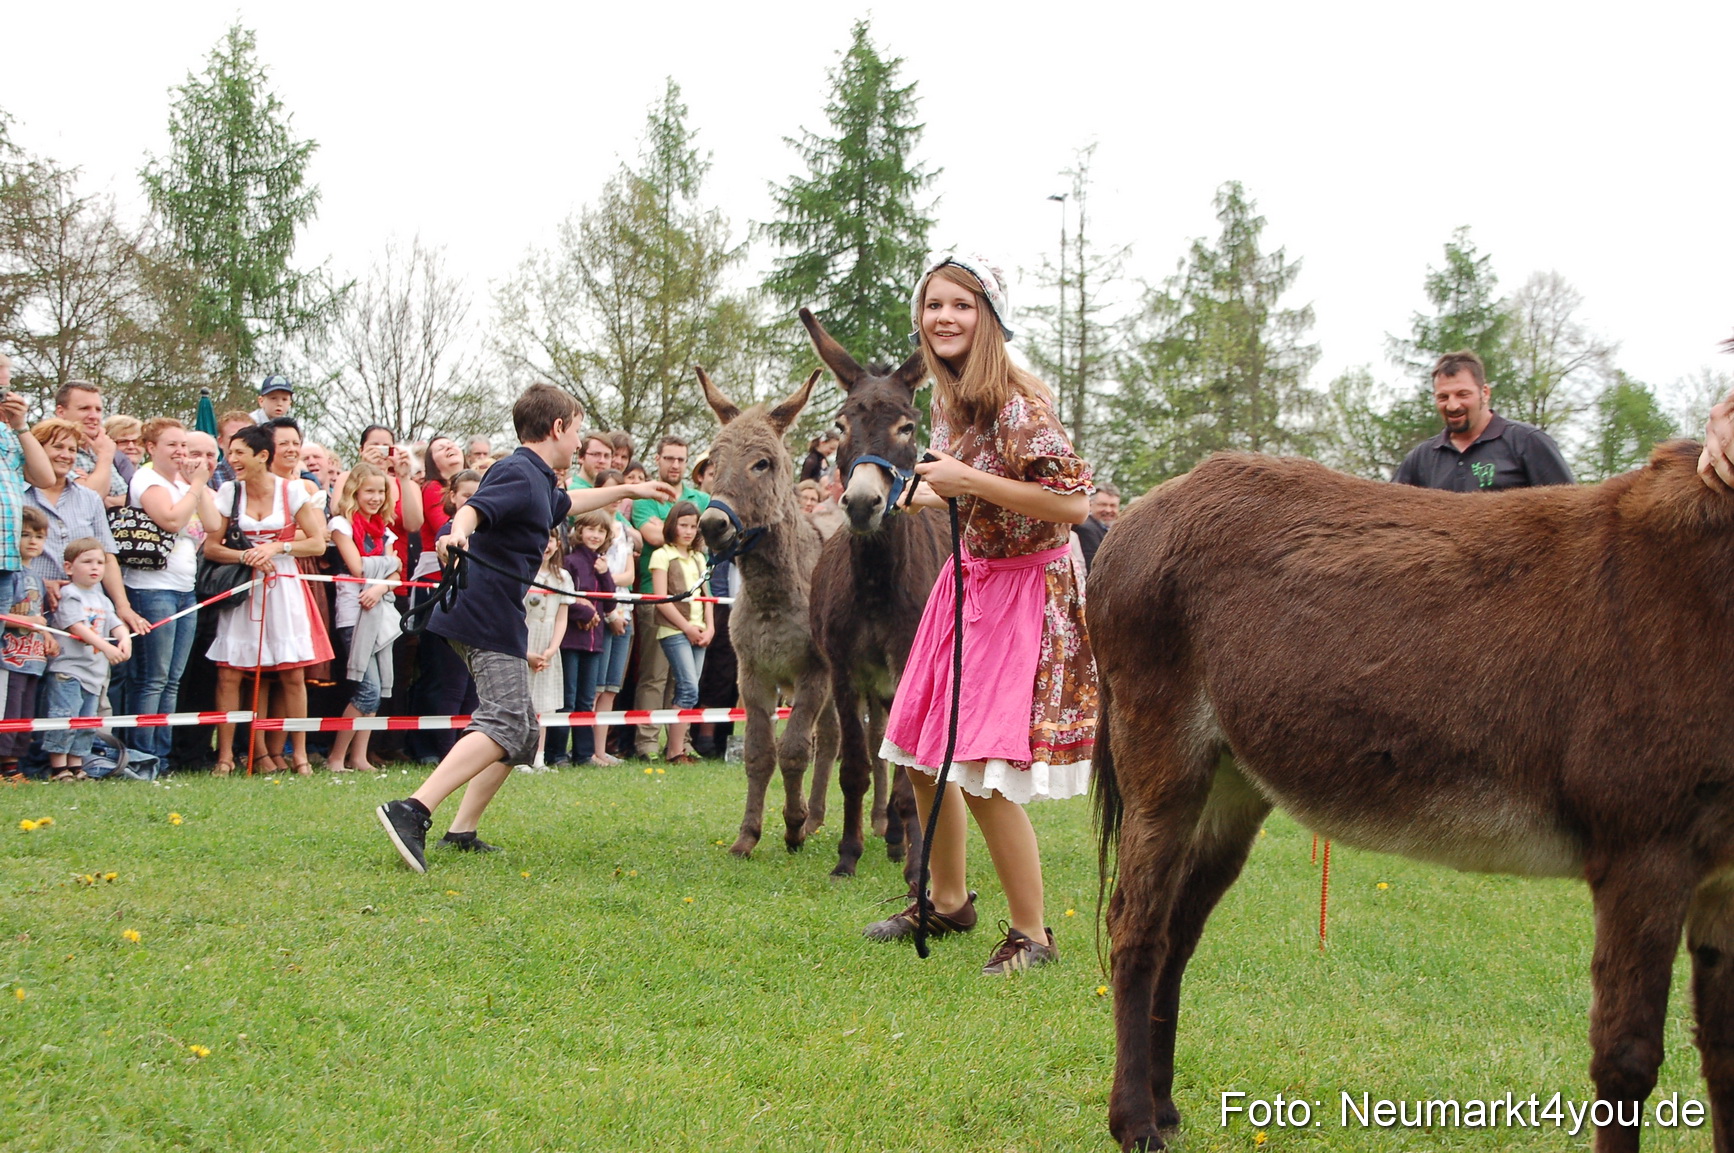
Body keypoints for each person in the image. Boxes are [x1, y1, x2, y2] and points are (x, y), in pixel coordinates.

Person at [862, 253, 1097, 976]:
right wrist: (931, 494)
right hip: (968, 581)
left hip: (1026, 590)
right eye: (934, 305)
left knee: (983, 766)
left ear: (989, 316)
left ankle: (1033, 932)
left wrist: (970, 480)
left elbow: (1073, 505)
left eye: (961, 305)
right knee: (921, 747)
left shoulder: (1019, 403)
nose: (945, 317)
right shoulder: (946, 398)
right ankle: (949, 897)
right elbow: (974, 492)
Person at [374, 384, 675, 872]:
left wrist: (628, 490)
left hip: (493, 611)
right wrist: (457, 534)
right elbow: (476, 507)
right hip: (483, 610)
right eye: (576, 430)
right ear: (557, 428)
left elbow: (568, 503)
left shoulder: (538, 481)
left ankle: (462, 829)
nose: (579, 442)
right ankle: (412, 809)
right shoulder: (516, 470)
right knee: (508, 721)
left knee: (522, 730)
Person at [201, 424, 332, 776]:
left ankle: (300, 756)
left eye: (239, 453)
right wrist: (246, 556)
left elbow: (317, 544)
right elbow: (212, 547)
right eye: (230, 453)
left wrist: (277, 546)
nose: (232, 460)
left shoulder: (291, 491)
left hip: (284, 586)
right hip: (244, 587)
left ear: (262, 456)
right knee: (229, 674)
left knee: (293, 673)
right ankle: (226, 756)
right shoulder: (228, 491)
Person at [123, 418, 213, 769]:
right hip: (151, 589)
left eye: (183, 446)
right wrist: (198, 485)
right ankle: (142, 755)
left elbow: (214, 524)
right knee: (151, 678)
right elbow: (172, 520)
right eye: (171, 445)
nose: (179, 453)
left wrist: (197, 485)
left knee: (172, 680)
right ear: (150, 448)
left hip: (184, 590)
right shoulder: (147, 479)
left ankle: (161, 757)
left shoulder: (184, 484)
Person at [24, 418, 152, 637]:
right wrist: (40, 583)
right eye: (57, 447)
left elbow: (107, 555)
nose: (66, 455)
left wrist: (122, 606)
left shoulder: (89, 498)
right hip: (31, 608)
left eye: (72, 449)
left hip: (85, 614)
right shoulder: (19, 495)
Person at [630, 436, 710, 759]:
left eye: (680, 459)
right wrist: (681, 523)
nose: (675, 465)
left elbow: (709, 539)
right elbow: (652, 535)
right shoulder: (645, 497)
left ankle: (680, 744)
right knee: (654, 676)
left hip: (694, 607)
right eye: (669, 458)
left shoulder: (701, 497)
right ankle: (647, 744)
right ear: (658, 459)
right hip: (656, 599)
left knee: (685, 682)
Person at [1392, 350, 1575, 491]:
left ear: (1484, 393)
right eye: (1443, 397)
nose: (1453, 405)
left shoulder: (1528, 442)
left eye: (1463, 394)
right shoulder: (1421, 458)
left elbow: (1569, 514)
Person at [324, 463, 397, 773]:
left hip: (379, 609)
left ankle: (359, 757)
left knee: (378, 690)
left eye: (381, 491)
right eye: (369, 491)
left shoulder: (386, 529)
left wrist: (381, 586)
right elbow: (357, 567)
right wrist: (387, 570)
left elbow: (397, 570)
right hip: (354, 612)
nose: (376, 497)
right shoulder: (341, 524)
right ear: (355, 491)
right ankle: (336, 758)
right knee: (365, 690)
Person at [45, 537, 131, 781]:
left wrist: (125, 640)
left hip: (94, 673)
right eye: (87, 562)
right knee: (64, 715)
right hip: (69, 670)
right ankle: (58, 768)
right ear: (69, 567)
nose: (95, 567)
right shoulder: (70, 594)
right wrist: (107, 648)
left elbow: (116, 625)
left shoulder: (102, 599)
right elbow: (77, 627)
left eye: (100, 562)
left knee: (86, 721)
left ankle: (76, 764)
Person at [649, 500, 712, 764]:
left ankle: (679, 748)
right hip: (673, 629)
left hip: (699, 630)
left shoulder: (699, 557)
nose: (688, 531)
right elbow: (661, 599)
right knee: (687, 688)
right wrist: (686, 627)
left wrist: (710, 627)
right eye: (683, 525)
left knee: (691, 688)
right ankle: (675, 751)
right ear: (672, 525)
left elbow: (707, 596)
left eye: (693, 526)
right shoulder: (661, 555)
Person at [554, 509, 615, 765]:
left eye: (601, 531)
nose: (595, 535)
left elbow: (610, 602)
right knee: (567, 699)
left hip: (595, 641)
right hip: (571, 639)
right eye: (591, 529)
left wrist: (605, 573)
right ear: (579, 531)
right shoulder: (571, 561)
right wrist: (585, 610)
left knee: (586, 700)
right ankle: (556, 753)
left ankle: (583, 753)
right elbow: (564, 596)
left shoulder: (601, 564)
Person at [0, 507, 54, 781]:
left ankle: (13, 767)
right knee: (7, 711)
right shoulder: (7, 574)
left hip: (32, 658)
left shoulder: (36, 578)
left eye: (39, 536)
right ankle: (4, 767)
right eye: (25, 535)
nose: (33, 541)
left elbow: (39, 616)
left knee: (24, 713)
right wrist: (27, 622)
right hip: (7, 657)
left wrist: (46, 634)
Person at [589, 469, 637, 765]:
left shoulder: (625, 529)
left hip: (626, 609)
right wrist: (611, 580)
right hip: (602, 612)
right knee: (594, 687)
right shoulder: (593, 526)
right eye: (610, 491)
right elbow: (595, 574)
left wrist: (611, 576)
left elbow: (629, 574)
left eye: (621, 492)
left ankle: (600, 749)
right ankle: (586, 749)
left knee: (611, 687)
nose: (615, 498)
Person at [523, 531, 574, 771]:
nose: (546, 545)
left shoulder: (563, 577)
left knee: (543, 703)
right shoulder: (522, 573)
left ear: (558, 544)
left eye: (551, 539)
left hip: (548, 644)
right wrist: (526, 652)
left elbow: (562, 618)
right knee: (523, 702)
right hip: (524, 640)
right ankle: (519, 757)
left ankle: (538, 757)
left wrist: (552, 649)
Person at [54, 381, 131, 508]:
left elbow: (128, 499)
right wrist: (105, 458)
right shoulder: (52, 449)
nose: (94, 416)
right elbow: (88, 499)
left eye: (98, 410)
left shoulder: (97, 449)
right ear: (61, 412)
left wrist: (96, 487)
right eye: (84, 408)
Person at [1074, 483, 1119, 572]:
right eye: (1103, 505)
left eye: (1113, 505)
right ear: (1090, 505)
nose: (1108, 510)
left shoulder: (1108, 529)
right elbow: (1092, 567)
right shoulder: (1086, 529)